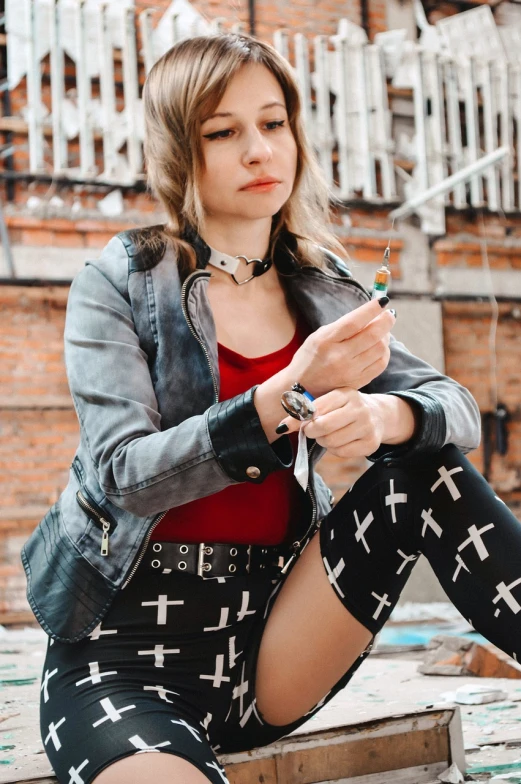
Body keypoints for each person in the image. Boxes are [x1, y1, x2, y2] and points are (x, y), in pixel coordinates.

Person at [22, 33, 521, 784]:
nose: (259, 150)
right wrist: (283, 392)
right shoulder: (120, 281)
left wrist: (384, 420)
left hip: (273, 646)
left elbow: (453, 408)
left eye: (273, 123)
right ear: (177, 152)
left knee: (424, 466)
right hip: (124, 660)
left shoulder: (324, 288)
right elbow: (124, 475)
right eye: (222, 132)